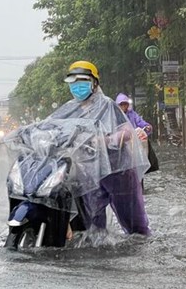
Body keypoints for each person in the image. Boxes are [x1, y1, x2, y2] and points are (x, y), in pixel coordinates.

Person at [48, 61, 151, 236]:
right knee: (93, 228)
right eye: (73, 83)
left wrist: (108, 139)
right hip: (89, 172)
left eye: (82, 82)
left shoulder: (108, 105)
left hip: (119, 171)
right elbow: (50, 127)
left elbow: (127, 132)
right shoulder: (69, 110)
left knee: (135, 225)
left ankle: (142, 249)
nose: (77, 87)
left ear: (94, 83)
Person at [115, 93, 159, 173]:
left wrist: (147, 126)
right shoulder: (114, 116)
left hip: (135, 145)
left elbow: (140, 122)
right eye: (121, 105)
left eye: (125, 104)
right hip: (121, 147)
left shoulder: (132, 114)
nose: (124, 107)